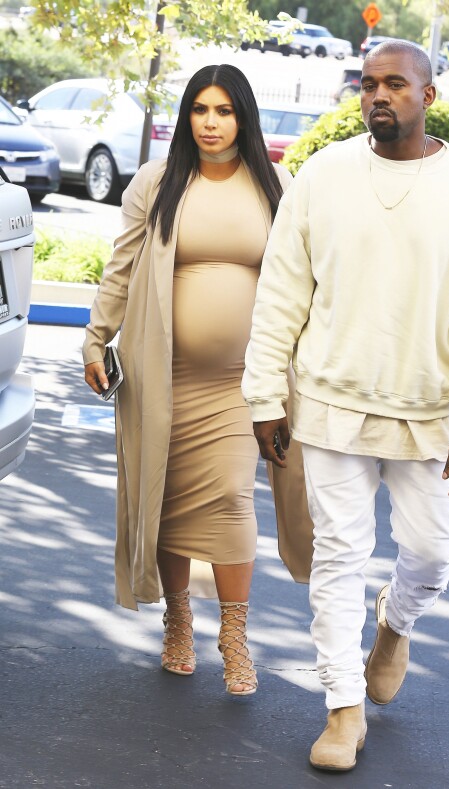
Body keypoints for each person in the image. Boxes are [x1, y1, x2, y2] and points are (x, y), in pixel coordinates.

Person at [242, 39, 449, 769]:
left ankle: (393, 625)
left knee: (431, 552)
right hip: (329, 401)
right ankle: (342, 707)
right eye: (368, 84)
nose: (378, 96)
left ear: (430, 95)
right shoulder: (324, 176)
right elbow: (281, 293)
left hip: (429, 410)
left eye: (396, 84)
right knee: (339, 556)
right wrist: (266, 394)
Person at [83, 64, 292, 696]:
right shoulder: (158, 182)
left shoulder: (278, 185)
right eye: (200, 109)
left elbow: (309, 278)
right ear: (186, 117)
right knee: (169, 506)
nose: (210, 122)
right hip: (163, 377)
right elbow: (121, 268)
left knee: (230, 500)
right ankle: (179, 619)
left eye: (224, 111)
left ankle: (234, 636)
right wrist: (97, 337)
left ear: (243, 118)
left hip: (243, 382)